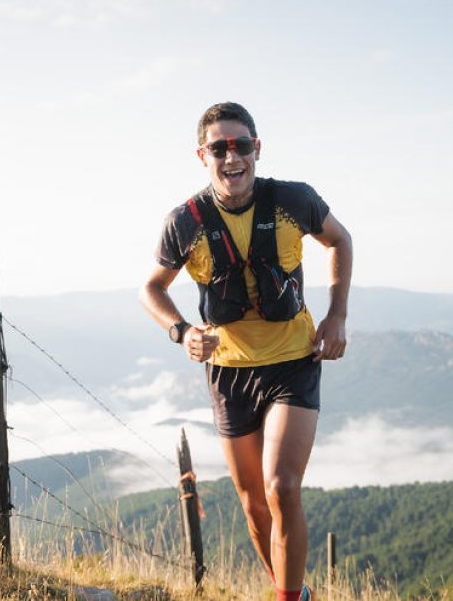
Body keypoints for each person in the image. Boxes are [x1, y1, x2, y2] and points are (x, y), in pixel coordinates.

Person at [140, 102, 352, 601]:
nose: (231, 157)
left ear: (257, 149)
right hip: (229, 370)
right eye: (219, 148)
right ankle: (291, 591)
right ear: (202, 156)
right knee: (253, 504)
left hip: (293, 361)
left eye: (241, 146)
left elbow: (339, 240)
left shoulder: (292, 201)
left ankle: (287, 598)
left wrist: (336, 314)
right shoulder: (185, 222)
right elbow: (152, 288)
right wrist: (181, 331)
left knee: (282, 488)